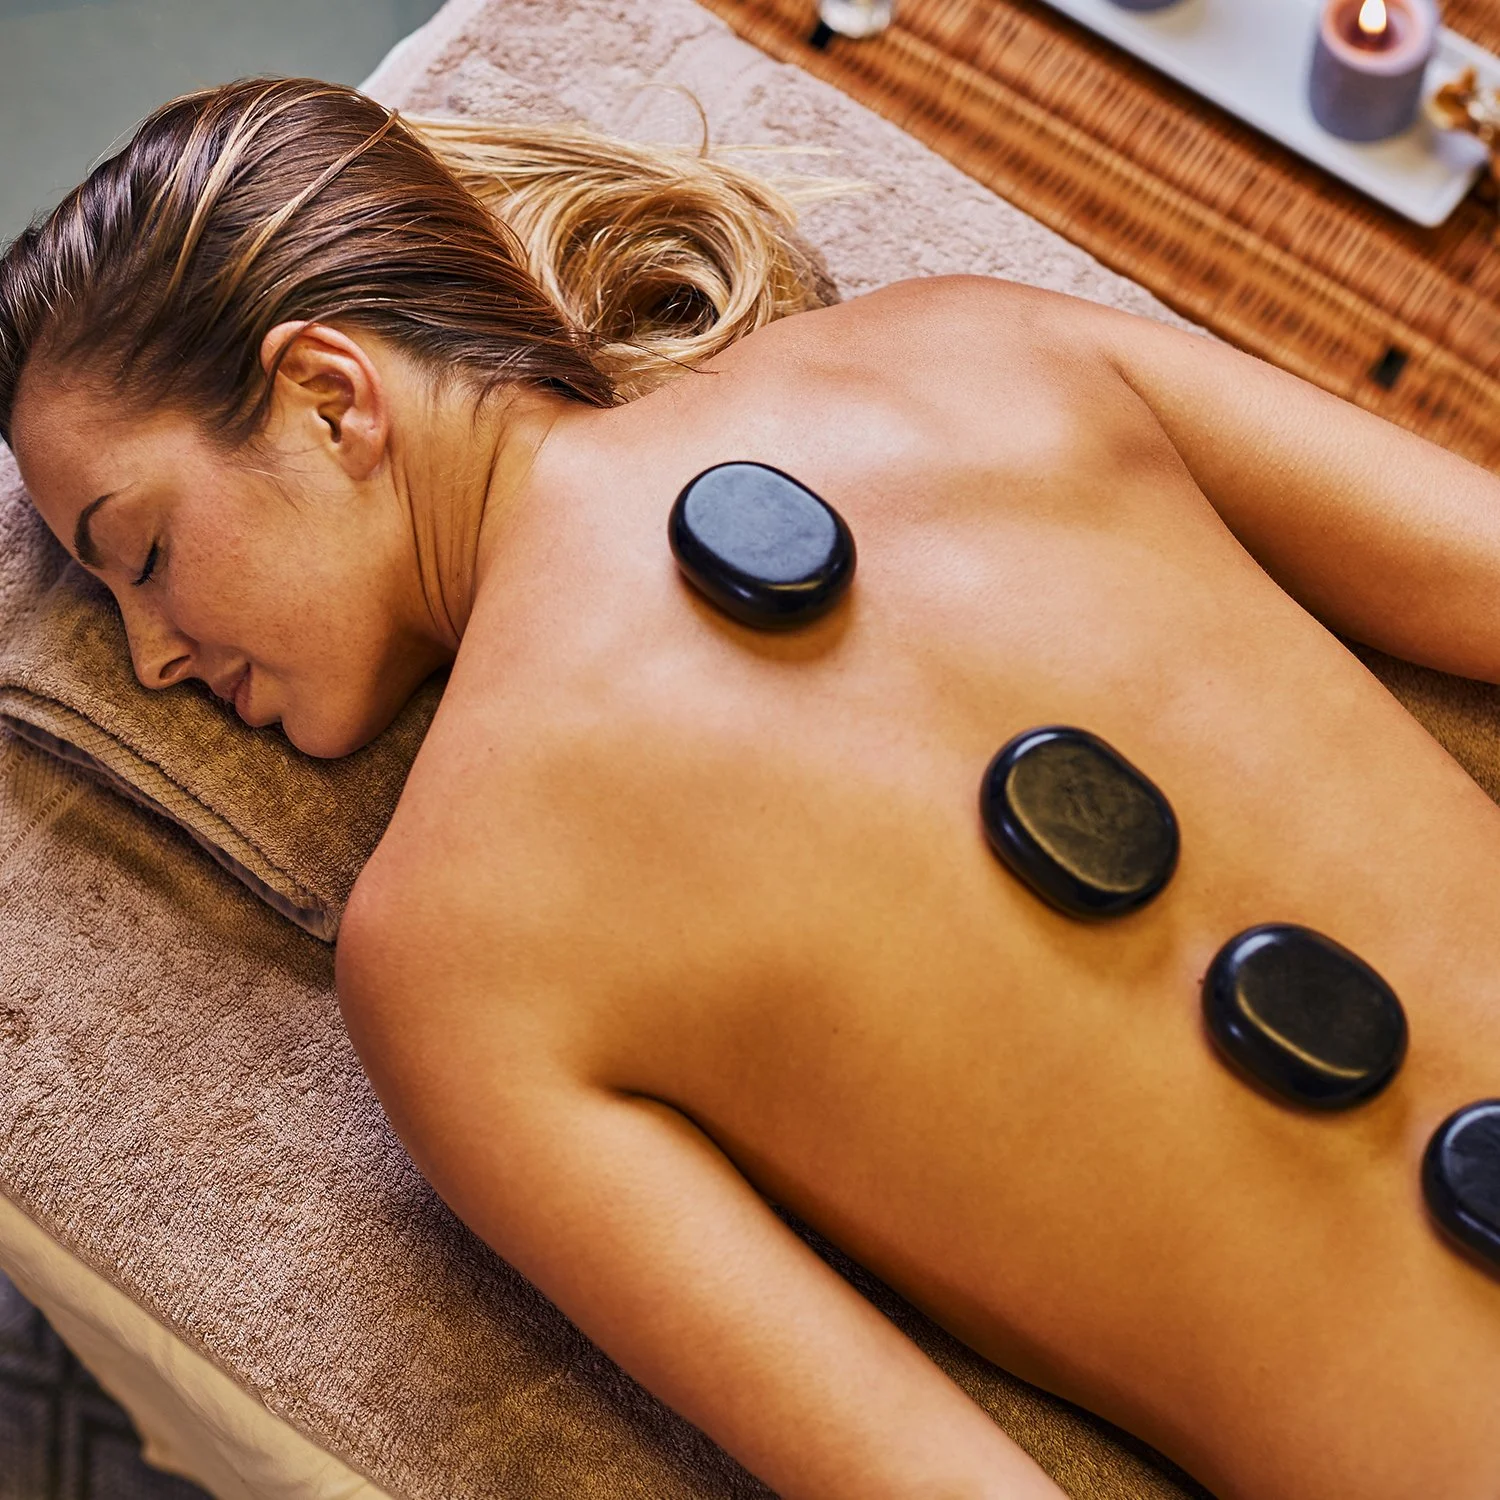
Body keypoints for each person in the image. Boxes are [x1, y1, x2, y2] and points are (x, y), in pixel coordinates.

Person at [3, 76, 1498, 1500]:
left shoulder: (454, 959)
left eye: (139, 554)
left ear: (330, 396)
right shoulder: (970, 351)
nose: (148, 660)